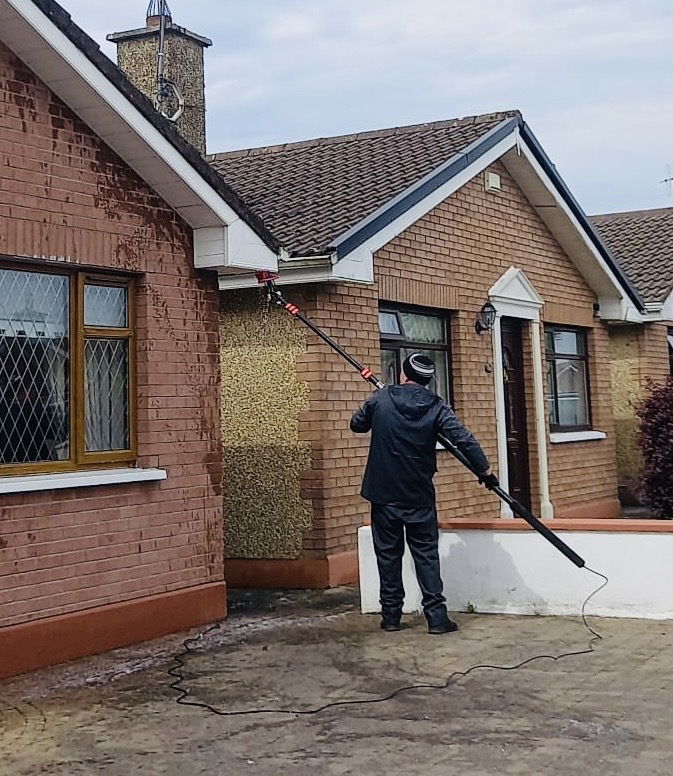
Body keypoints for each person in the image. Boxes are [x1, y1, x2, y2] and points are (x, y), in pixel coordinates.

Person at [350, 353, 498, 634]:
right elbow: (463, 439)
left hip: (384, 494)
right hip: (418, 494)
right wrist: (485, 471)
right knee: (426, 554)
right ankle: (437, 618)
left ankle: (391, 616)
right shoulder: (436, 406)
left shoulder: (382, 398)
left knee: (388, 555)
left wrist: (373, 402)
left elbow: (357, 424)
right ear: (428, 380)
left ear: (404, 374)